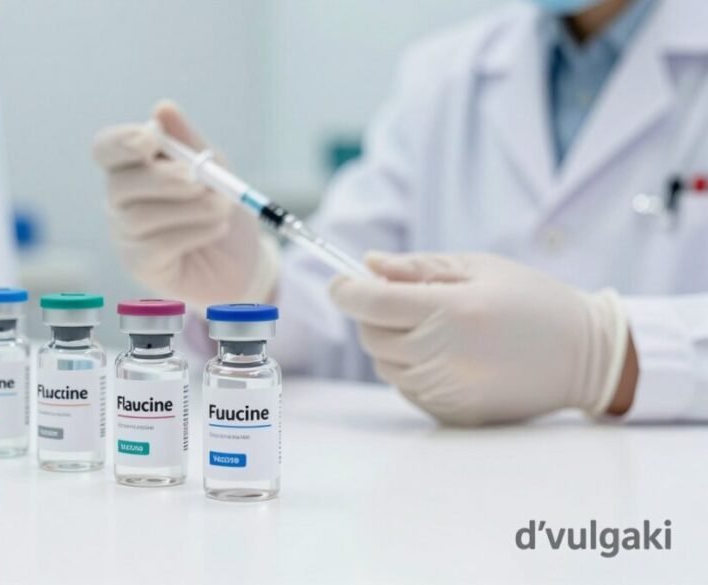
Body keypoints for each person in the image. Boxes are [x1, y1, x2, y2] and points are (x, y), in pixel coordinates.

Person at [92, 0, 708, 425]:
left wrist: (609, 353)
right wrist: (249, 287)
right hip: (460, 510)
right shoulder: (444, 74)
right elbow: (349, 306)